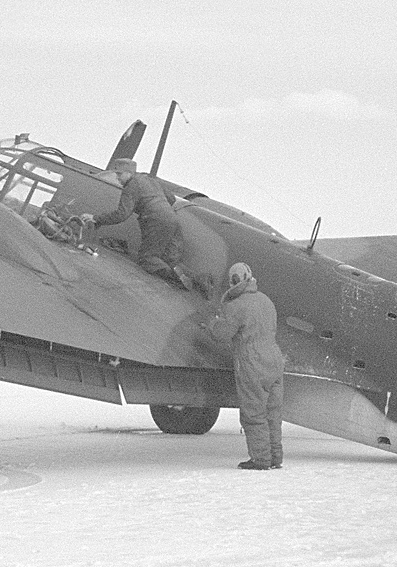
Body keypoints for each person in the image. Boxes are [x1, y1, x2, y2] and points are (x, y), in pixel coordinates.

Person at [208, 262, 286, 470]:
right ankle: (275, 457)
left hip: (253, 361)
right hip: (274, 358)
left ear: (233, 281)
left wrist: (212, 323)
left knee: (254, 412)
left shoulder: (236, 306)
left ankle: (260, 459)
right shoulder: (266, 300)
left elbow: (221, 334)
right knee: (272, 413)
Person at [82, 159, 190, 288]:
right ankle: (193, 278)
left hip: (155, 220)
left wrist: (96, 218)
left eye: (119, 174)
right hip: (172, 218)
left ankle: (175, 276)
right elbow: (171, 199)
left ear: (129, 173)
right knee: (167, 258)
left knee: (146, 259)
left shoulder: (131, 186)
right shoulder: (150, 180)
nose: (117, 179)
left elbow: (122, 214)